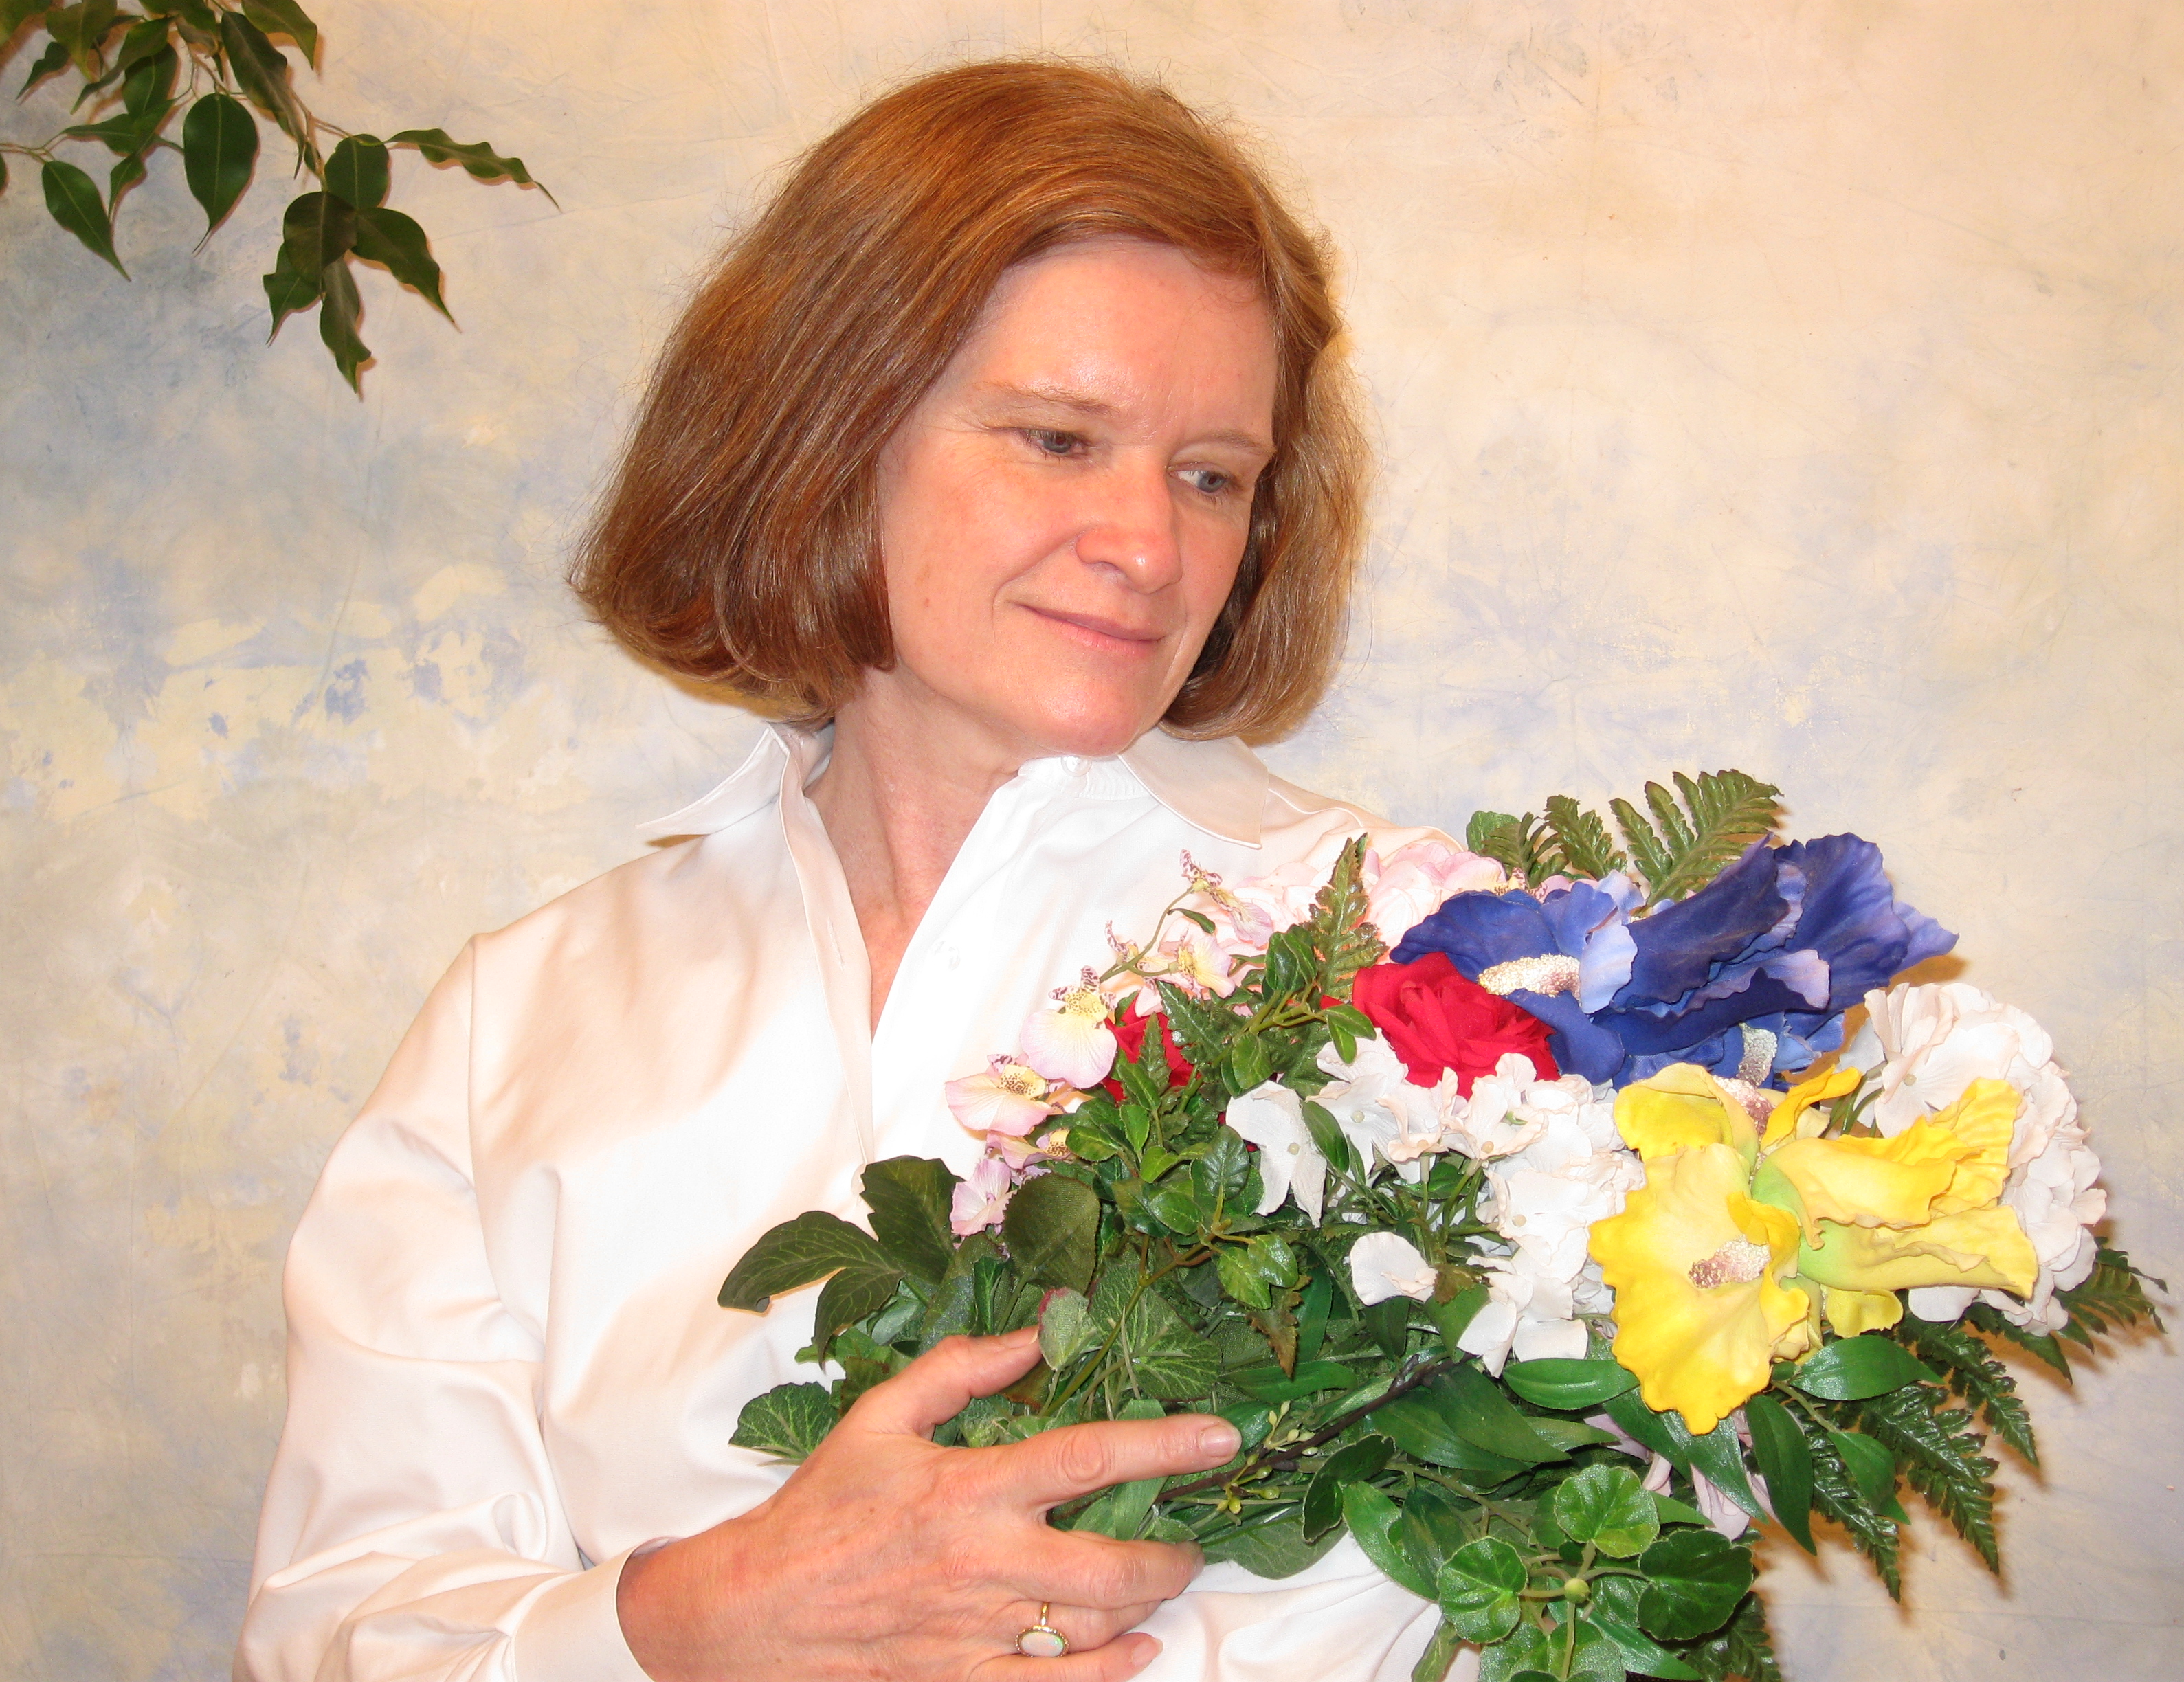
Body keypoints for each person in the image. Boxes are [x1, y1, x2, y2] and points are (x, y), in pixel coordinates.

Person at [236, 60, 1448, 1682]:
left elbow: (1505, 1563)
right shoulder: (518, 1024)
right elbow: (342, 1626)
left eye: (1210, 475)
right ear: (826, 432)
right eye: (1059, 438)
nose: (1152, 548)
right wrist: (698, 1623)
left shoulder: (1419, 962)